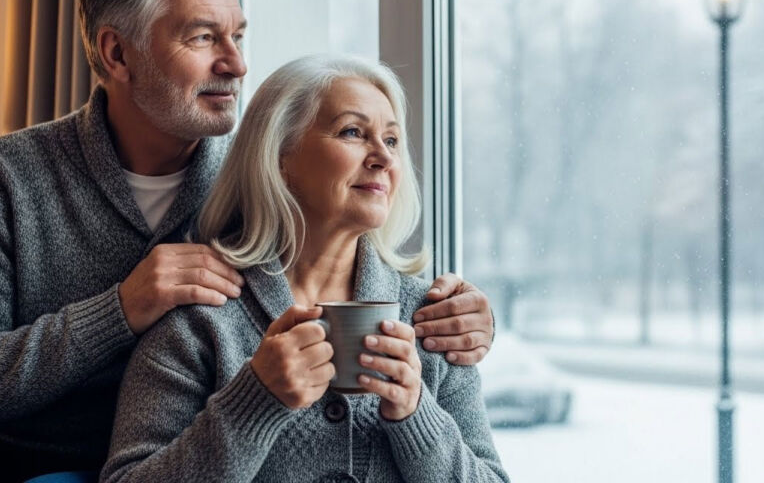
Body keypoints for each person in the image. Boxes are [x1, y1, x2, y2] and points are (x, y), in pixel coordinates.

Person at [0, 0, 494, 483]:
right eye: (202, 39)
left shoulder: (271, 175)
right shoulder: (3, 178)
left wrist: (464, 322)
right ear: (116, 53)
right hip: (42, 462)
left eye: (238, 37)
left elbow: (346, 247)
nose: (237, 65)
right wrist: (120, 309)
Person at [100, 54, 508, 483]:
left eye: (391, 140)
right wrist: (253, 402)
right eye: (353, 132)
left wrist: (417, 416)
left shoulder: (434, 321)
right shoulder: (200, 318)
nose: (383, 159)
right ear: (280, 156)